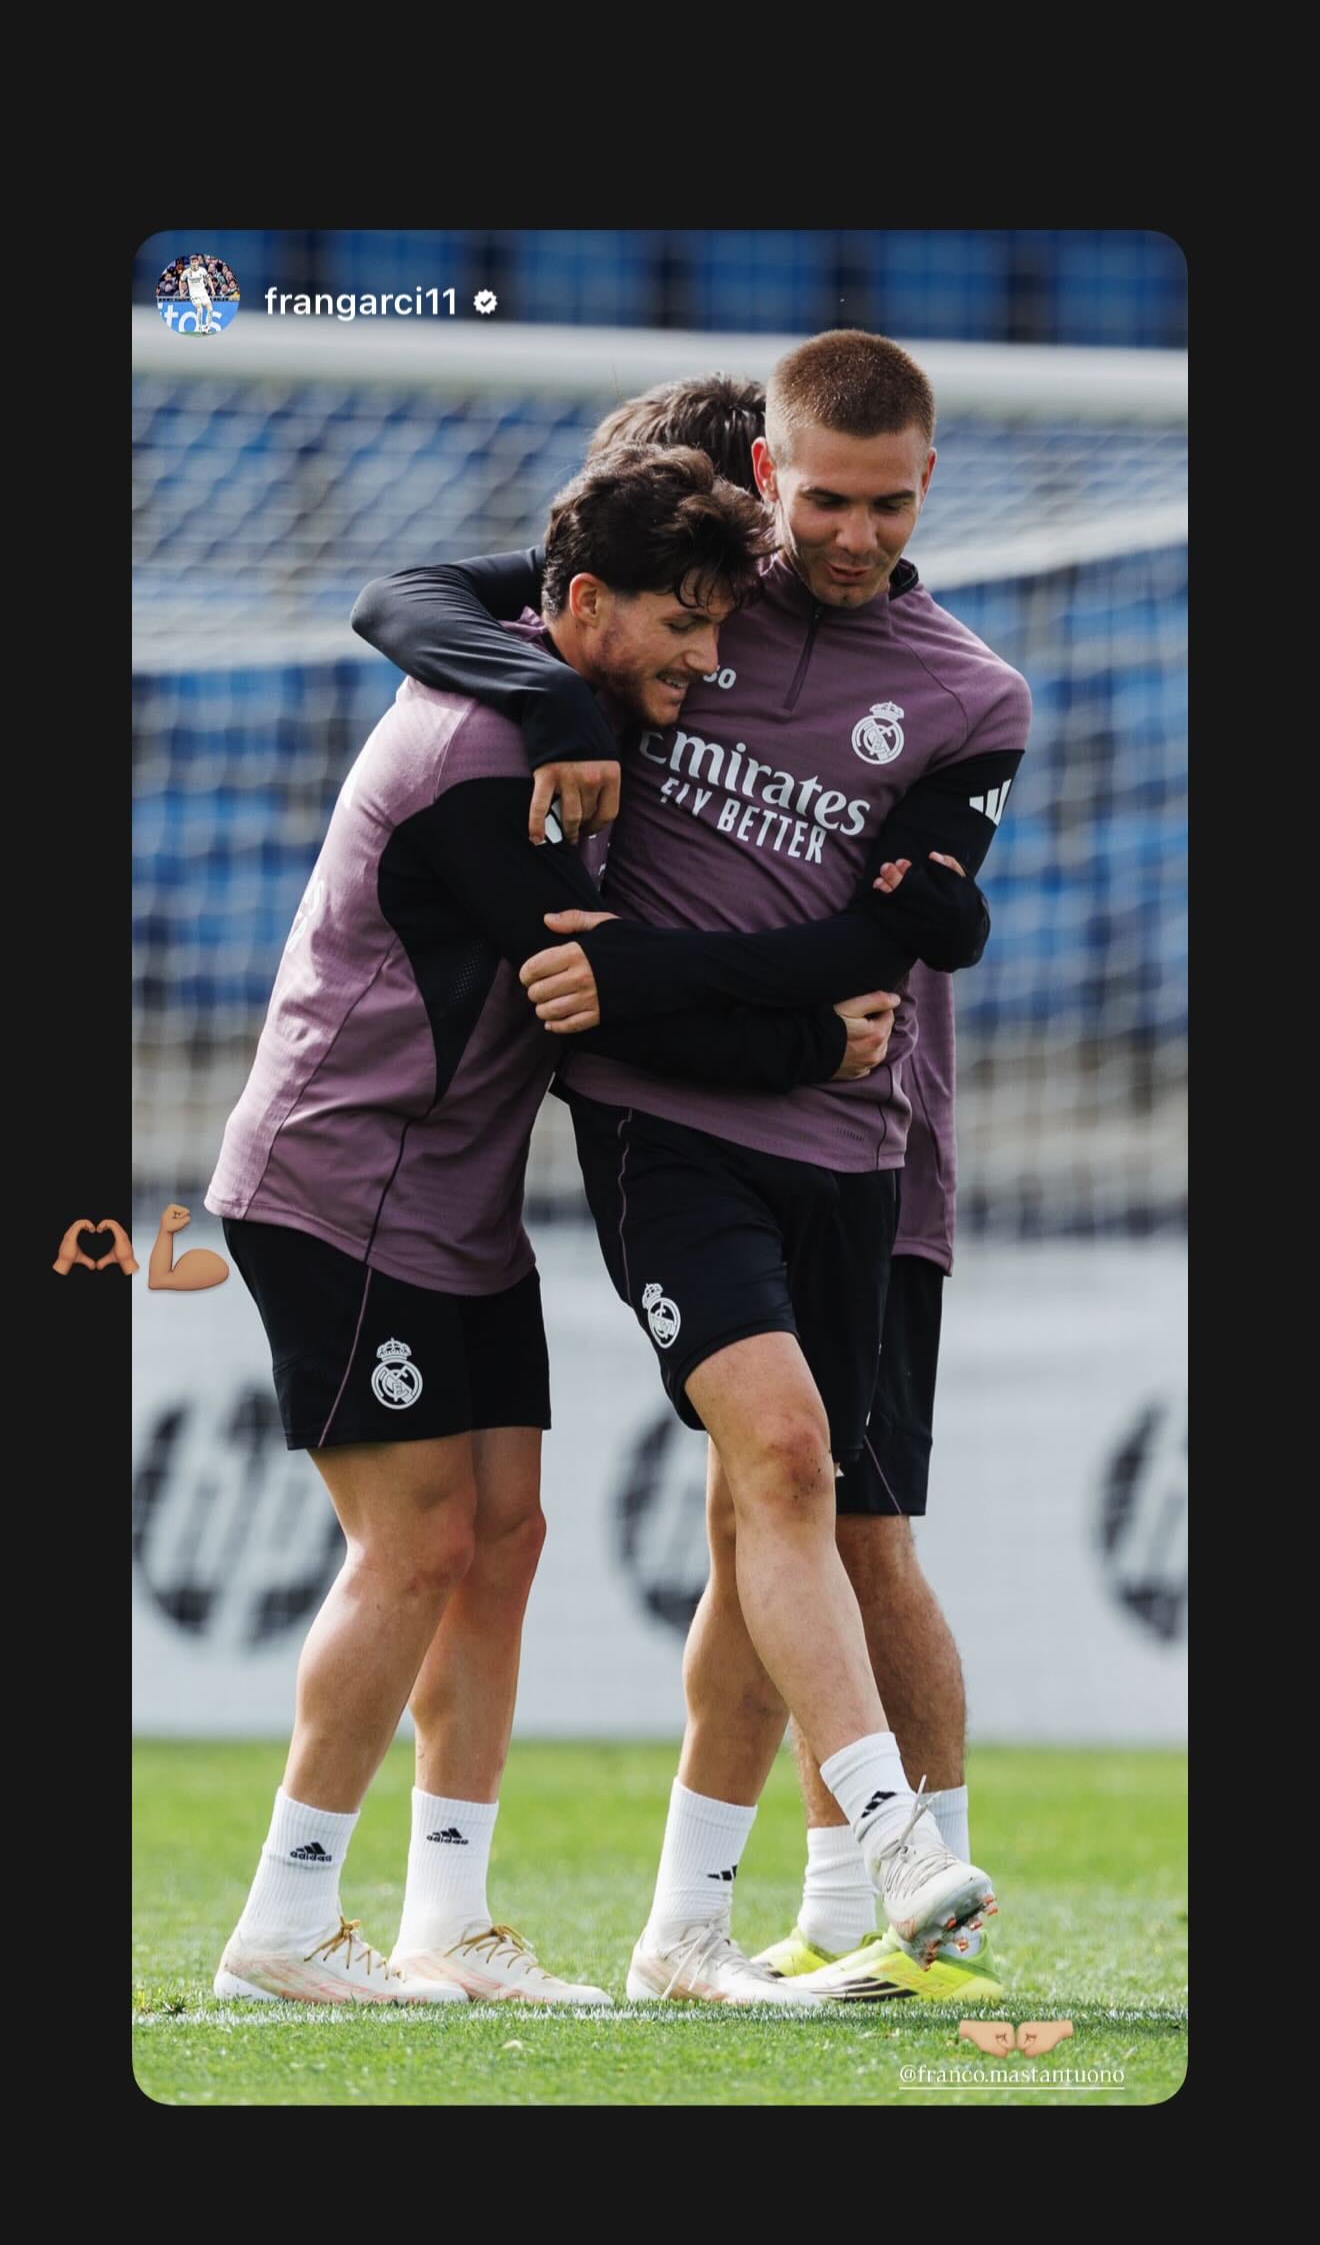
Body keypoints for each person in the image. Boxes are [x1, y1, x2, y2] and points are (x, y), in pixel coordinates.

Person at [353, 329, 1029, 2005]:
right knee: (795, 1462)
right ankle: (898, 1849)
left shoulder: (971, 693)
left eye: (883, 503)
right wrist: (539, 691)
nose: (852, 536)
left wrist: (658, 980)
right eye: (824, 501)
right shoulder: (689, 595)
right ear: (767, 483)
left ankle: (688, 1932)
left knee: (780, 1515)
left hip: (855, 1130)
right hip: (669, 1128)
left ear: (927, 484)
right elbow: (423, 601)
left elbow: (920, 926)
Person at [206, 444, 904, 2007]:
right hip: (339, 1187)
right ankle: (285, 1918)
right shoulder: (474, 750)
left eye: (722, 627)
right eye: (682, 623)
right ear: (581, 603)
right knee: (418, 1542)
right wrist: (821, 1041)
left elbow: (445, 599)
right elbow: (599, 1007)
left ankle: (445, 1917)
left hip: (453, 1205)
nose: (707, 660)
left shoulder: (557, 703)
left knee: (506, 1537)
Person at [184, 257, 214, 334]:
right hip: (194, 294)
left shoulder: (202, 270)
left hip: (203, 293)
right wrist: (181, 293)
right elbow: (181, 281)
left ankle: (207, 327)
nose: (194, 263)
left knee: (210, 310)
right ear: (190, 263)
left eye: (195, 261)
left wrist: (213, 289)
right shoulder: (187, 272)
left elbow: (209, 279)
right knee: (200, 310)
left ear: (198, 262)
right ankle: (199, 327)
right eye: (192, 262)